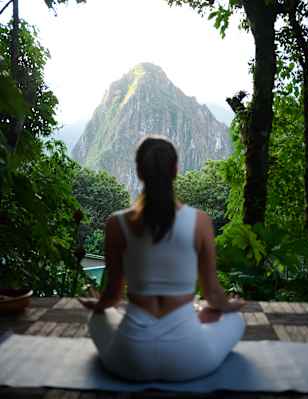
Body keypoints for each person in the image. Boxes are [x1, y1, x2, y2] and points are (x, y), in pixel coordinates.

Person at [79, 135, 246, 382]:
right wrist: (228, 307)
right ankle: (198, 317)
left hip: (129, 360)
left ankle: (196, 316)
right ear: (176, 170)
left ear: (138, 171)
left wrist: (98, 305)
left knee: (98, 317)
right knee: (236, 319)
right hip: (190, 360)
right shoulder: (199, 221)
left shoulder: (117, 223)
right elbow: (212, 294)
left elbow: (113, 296)